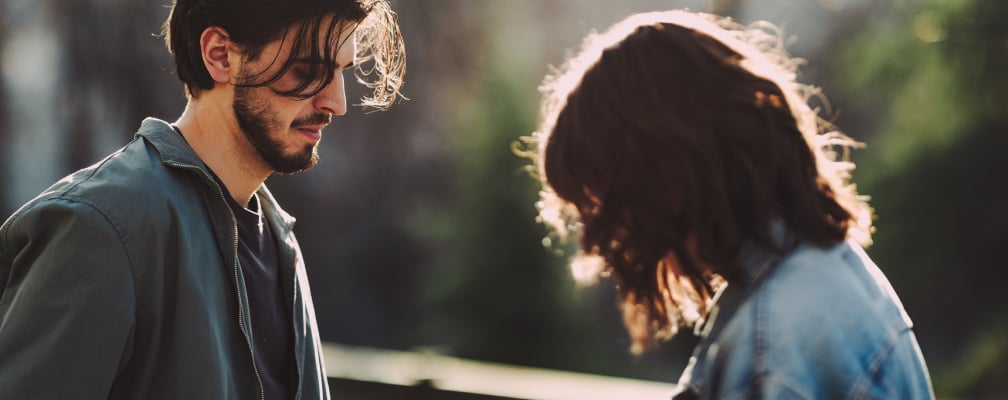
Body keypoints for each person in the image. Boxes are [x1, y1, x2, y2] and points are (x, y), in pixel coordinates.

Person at [0, 0, 404, 398]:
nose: (337, 102)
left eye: (340, 72)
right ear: (219, 55)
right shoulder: (100, 227)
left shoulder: (280, 242)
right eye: (308, 70)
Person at [523, 10, 934, 399]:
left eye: (607, 203)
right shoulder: (826, 271)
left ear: (665, 179)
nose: (611, 237)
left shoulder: (774, 342)